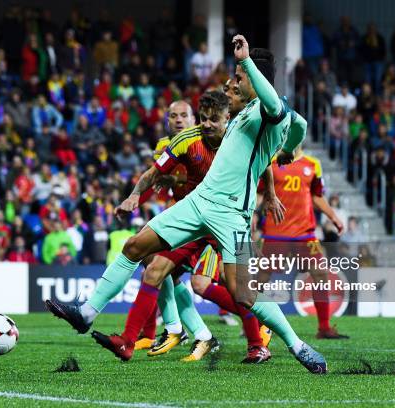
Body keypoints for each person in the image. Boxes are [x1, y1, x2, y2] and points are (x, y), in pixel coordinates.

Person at [46, 35, 324, 374]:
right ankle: (86, 314)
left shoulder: (270, 112)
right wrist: (289, 149)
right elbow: (301, 125)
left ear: (254, 77)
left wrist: (247, 62)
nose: (229, 83)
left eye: (237, 78)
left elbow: (284, 114)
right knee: (136, 246)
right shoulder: (247, 112)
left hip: (233, 215)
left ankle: (297, 345)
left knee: (243, 293)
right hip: (199, 201)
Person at [261, 147, 348, 339]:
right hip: (276, 232)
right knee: (262, 277)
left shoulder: (312, 164)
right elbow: (261, 193)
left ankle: (324, 327)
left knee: (320, 272)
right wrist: (250, 215)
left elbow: (317, 196)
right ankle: (250, 324)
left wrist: (334, 217)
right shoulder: (270, 162)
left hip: (305, 233)